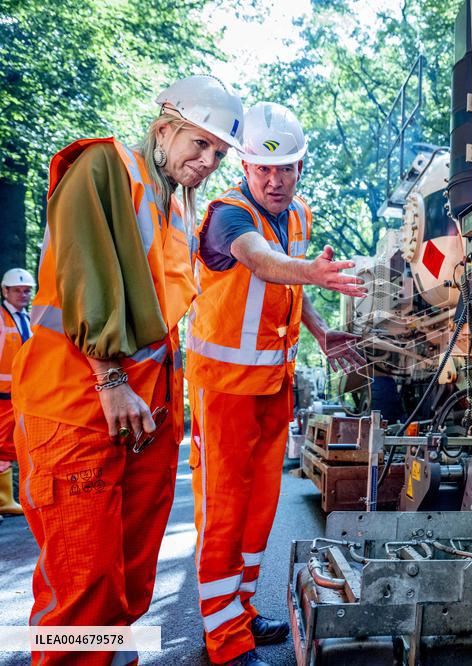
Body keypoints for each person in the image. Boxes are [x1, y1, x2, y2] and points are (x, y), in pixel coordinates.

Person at [11, 76, 243, 666]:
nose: (208, 160)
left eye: (219, 153)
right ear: (165, 128)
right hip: (81, 413)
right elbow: (81, 281)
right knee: (84, 593)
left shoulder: (169, 204)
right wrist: (110, 380)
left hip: (137, 421)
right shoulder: (103, 167)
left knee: (123, 585)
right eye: (200, 143)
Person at [185, 101, 366, 666]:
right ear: (243, 168)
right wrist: (308, 268)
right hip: (224, 390)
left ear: (300, 168)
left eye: (284, 167)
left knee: (259, 508)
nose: (274, 179)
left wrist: (321, 330)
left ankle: (241, 611)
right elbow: (262, 263)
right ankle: (224, 636)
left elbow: (288, 285)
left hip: (272, 387)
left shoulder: (297, 216)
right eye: (263, 169)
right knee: (223, 511)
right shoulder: (228, 217)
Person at [0, 267, 35, 520]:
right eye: (17, 290)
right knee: (1, 446)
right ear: (5, 291)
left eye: (26, 291)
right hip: (2, 395)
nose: (22, 295)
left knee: (14, 446)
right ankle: (4, 500)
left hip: (22, 395)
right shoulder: (1, 318)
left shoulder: (29, 318)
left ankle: (7, 499)